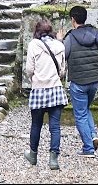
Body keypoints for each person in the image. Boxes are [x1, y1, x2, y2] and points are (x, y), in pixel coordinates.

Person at [59, 5, 98, 157]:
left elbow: (63, 56)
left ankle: (88, 148)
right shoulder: (95, 33)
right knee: (85, 108)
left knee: (80, 114)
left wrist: (60, 41)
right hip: (94, 80)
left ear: (73, 19)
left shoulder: (70, 37)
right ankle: (92, 135)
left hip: (78, 81)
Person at [24, 19, 67, 170]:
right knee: (55, 127)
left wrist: (34, 79)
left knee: (36, 125)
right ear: (51, 31)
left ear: (37, 31)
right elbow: (62, 71)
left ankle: (33, 155)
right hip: (55, 89)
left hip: (38, 90)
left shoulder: (33, 45)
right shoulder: (60, 45)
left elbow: (29, 69)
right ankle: (53, 160)